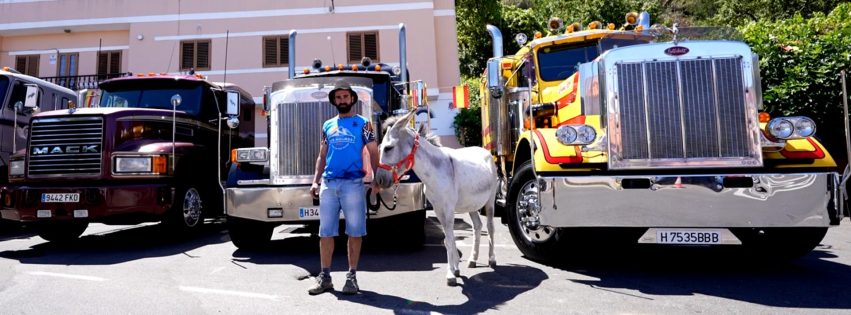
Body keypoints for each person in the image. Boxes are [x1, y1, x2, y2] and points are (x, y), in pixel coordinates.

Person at [308, 80, 380, 295]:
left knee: (355, 232)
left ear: (352, 99)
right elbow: (322, 155)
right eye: (338, 97)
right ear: (334, 101)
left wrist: (376, 179)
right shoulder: (328, 125)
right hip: (329, 185)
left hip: (353, 185)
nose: (342, 100)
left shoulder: (364, 124)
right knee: (325, 233)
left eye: (345, 97)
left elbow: (374, 152)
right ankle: (325, 277)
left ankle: (352, 277)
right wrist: (315, 180)